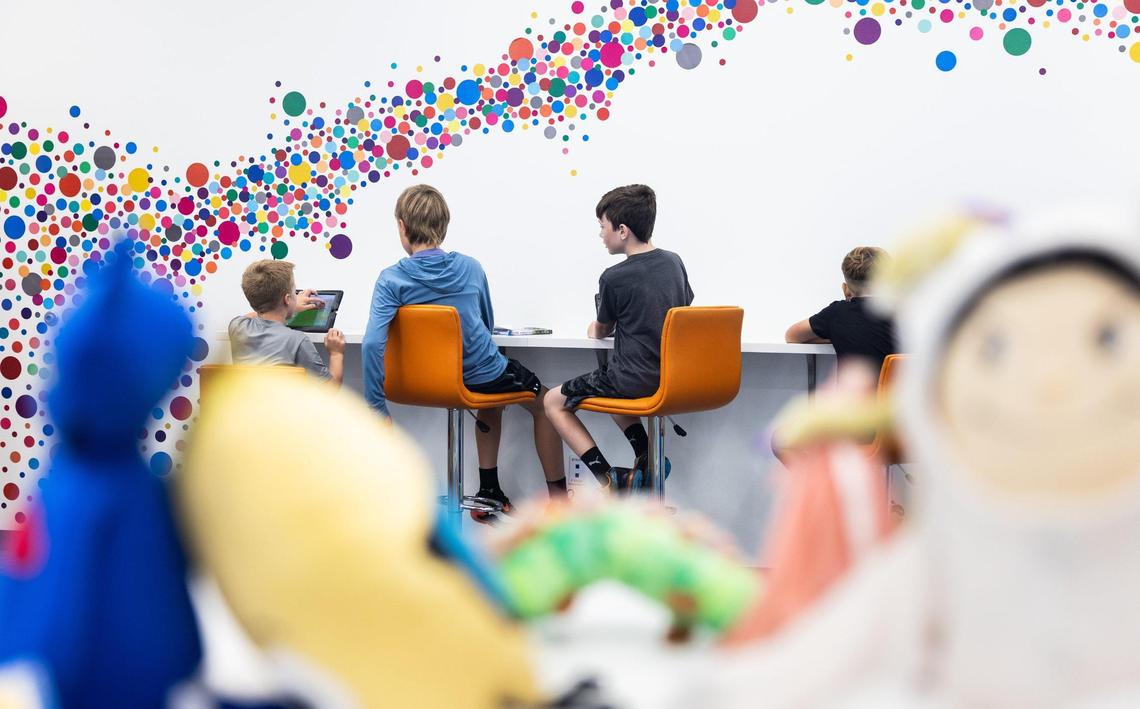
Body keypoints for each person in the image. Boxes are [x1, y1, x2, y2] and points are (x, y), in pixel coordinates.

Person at [361, 185, 566, 516]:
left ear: (402, 226)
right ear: (444, 226)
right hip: (480, 377)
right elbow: (486, 324)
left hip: (420, 385)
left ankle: (490, 491)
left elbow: (372, 342)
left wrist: (376, 407)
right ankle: (559, 503)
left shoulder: (390, 280)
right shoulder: (471, 268)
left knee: (492, 397)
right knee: (545, 404)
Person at [543, 184, 693, 492]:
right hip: (671, 377)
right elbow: (681, 310)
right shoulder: (674, 262)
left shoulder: (613, 277)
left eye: (603, 227)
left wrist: (593, 328)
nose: (601, 234)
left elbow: (602, 329)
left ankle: (610, 479)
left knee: (553, 401)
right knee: (608, 380)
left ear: (622, 230)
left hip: (632, 380)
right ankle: (646, 456)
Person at [229, 259, 345, 386]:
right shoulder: (297, 341)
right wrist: (336, 354)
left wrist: (291, 306)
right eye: (295, 293)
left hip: (247, 399)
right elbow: (330, 389)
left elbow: (254, 314)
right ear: (287, 299)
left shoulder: (237, 327)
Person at [785, 246, 898, 375]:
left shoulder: (837, 314)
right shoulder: (906, 314)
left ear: (846, 289)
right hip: (903, 388)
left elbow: (792, 336)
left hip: (855, 388)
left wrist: (837, 335)